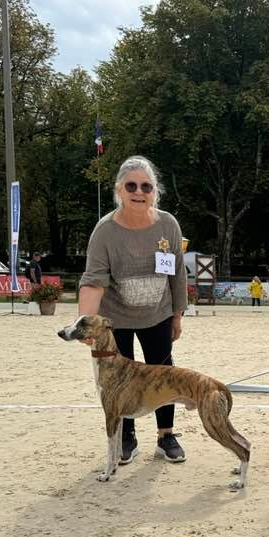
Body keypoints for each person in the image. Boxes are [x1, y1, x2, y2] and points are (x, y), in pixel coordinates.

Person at [78, 155, 188, 463]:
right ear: (119, 190)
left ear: (155, 191)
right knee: (120, 378)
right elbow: (93, 282)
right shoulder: (104, 232)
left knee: (163, 374)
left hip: (158, 314)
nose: (139, 192)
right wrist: (87, 325)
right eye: (131, 186)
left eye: (146, 186)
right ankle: (127, 437)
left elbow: (177, 273)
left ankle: (166, 436)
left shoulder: (168, 224)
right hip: (117, 318)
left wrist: (177, 315)